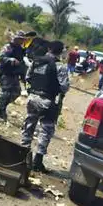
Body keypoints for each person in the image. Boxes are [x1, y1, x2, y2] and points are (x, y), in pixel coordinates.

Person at [21, 40, 70, 172]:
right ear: (61, 52)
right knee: (46, 130)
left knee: (29, 124)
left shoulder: (36, 61)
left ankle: (22, 155)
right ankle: (38, 161)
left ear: (48, 48)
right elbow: (64, 87)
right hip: (48, 101)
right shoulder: (61, 67)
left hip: (32, 98)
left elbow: (27, 77)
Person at [0, 31, 26, 121]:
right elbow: (1, 58)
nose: (21, 41)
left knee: (16, 92)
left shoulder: (21, 49)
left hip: (15, 74)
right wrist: (10, 59)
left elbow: (22, 62)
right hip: (5, 73)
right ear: (16, 39)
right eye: (20, 39)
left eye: (22, 39)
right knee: (5, 92)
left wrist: (23, 75)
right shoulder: (8, 47)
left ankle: (2, 105)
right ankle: (0, 110)